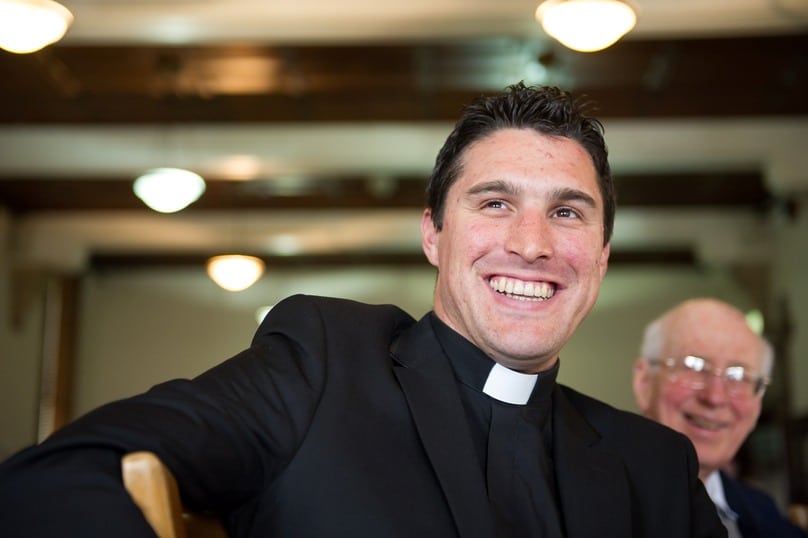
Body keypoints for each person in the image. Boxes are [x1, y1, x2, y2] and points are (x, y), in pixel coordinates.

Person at [0, 83, 726, 537]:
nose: (531, 245)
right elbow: (57, 476)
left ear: (599, 258)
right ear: (433, 235)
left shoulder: (654, 467)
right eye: (496, 203)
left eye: (568, 212)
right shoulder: (322, 364)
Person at [633, 298, 807, 538]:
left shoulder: (770, 519)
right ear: (644, 383)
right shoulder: (586, 502)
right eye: (693, 366)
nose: (715, 397)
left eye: (738, 375)